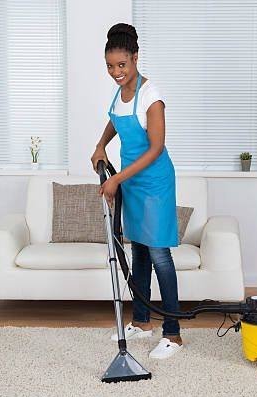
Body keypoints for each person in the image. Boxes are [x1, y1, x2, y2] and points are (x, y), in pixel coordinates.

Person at [90, 23, 182, 360]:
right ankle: (142, 322)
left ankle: (173, 333)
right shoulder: (121, 91)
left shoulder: (150, 95)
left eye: (122, 65)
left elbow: (156, 147)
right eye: (110, 67)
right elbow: (115, 119)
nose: (116, 72)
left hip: (155, 182)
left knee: (159, 255)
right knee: (139, 252)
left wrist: (114, 179)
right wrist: (100, 145)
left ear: (135, 58)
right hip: (131, 180)